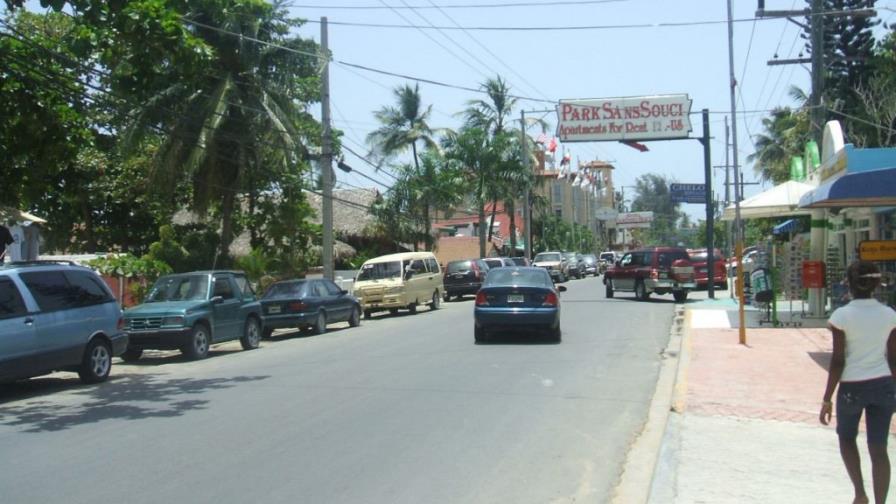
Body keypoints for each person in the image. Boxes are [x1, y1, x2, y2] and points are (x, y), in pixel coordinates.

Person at [820, 260, 896, 504]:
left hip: (851, 386)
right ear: (876, 284)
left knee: (846, 437)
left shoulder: (841, 316)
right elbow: (893, 359)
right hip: (883, 385)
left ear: (849, 285)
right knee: (879, 447)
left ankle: (860, 494)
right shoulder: (890, 315)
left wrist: (827, 398)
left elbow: (838, 361)